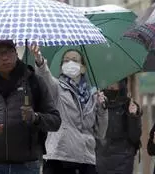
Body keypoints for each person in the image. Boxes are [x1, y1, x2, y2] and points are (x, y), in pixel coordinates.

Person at [0, 40, 61, 174]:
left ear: (16, 54)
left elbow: (55, 121)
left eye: (9, 51)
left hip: (27, 166)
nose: (5, 57)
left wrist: (35, 117)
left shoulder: (34, 82)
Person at [31, 45, 108, 174]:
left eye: (75, 60)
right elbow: (45, 77)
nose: (70, 63)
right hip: (60, 158)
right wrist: (39, 60)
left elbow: (100, 133)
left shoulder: (93, 96)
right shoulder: (57, 88)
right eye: (66, 60)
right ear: (61, 67)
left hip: (86, 159)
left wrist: (102, 109)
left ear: (83, 68)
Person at [96, 79, 142, 174]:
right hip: (100, 159)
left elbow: (135, 136)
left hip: (124, 160)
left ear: (122, 85)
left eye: (114, 85)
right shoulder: (98, 103)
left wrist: (133, 116)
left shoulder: (130, 105)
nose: (110, 88)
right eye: (108, 85)